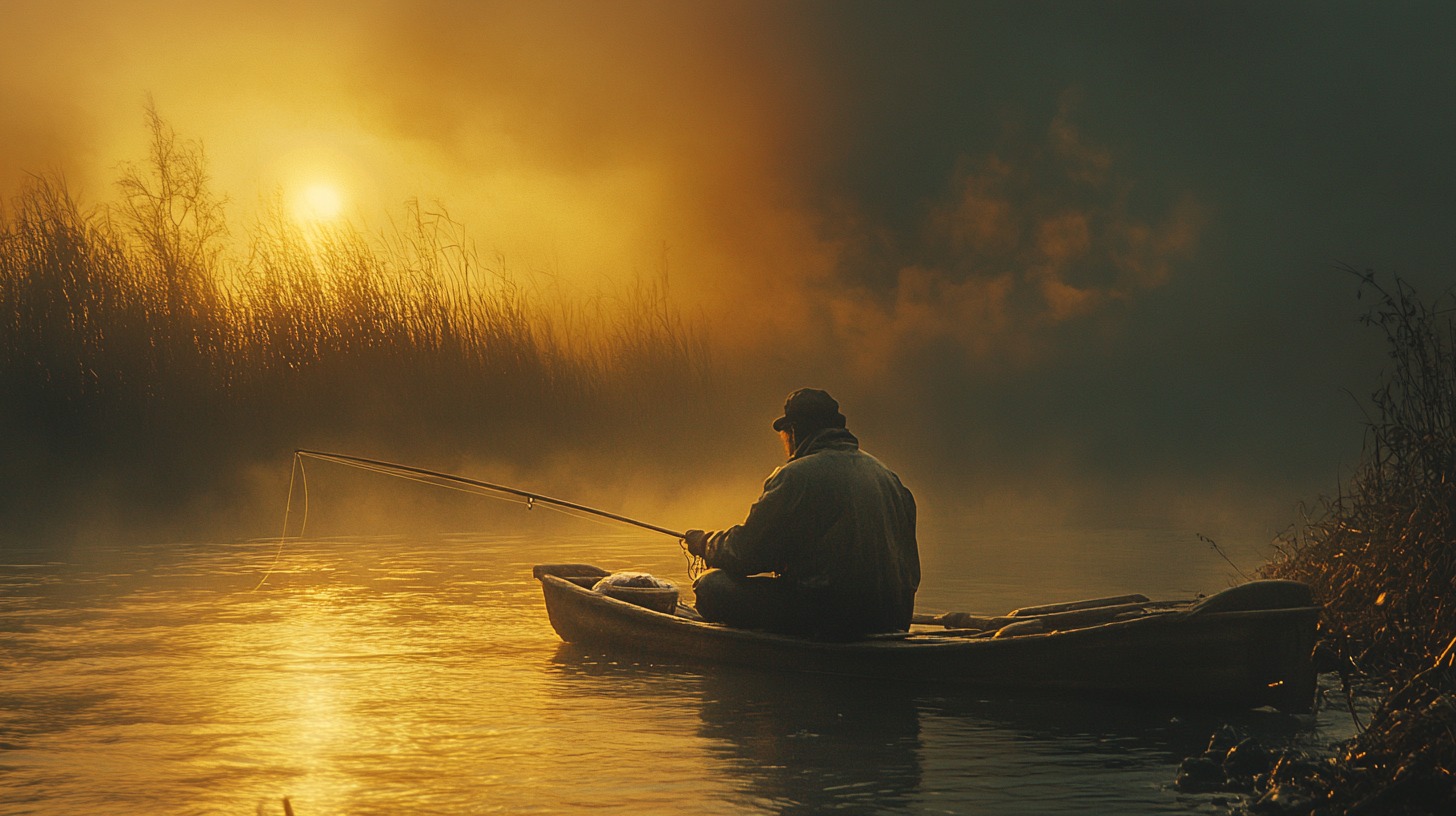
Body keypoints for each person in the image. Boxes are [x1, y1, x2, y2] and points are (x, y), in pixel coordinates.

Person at [683, 388, 919, 640]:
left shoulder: (796, 476)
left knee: (711, 585)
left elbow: (745, 553)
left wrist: (706, 544)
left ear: (794, 430)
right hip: (892, 617)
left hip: (828, 620)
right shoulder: (887, 476)